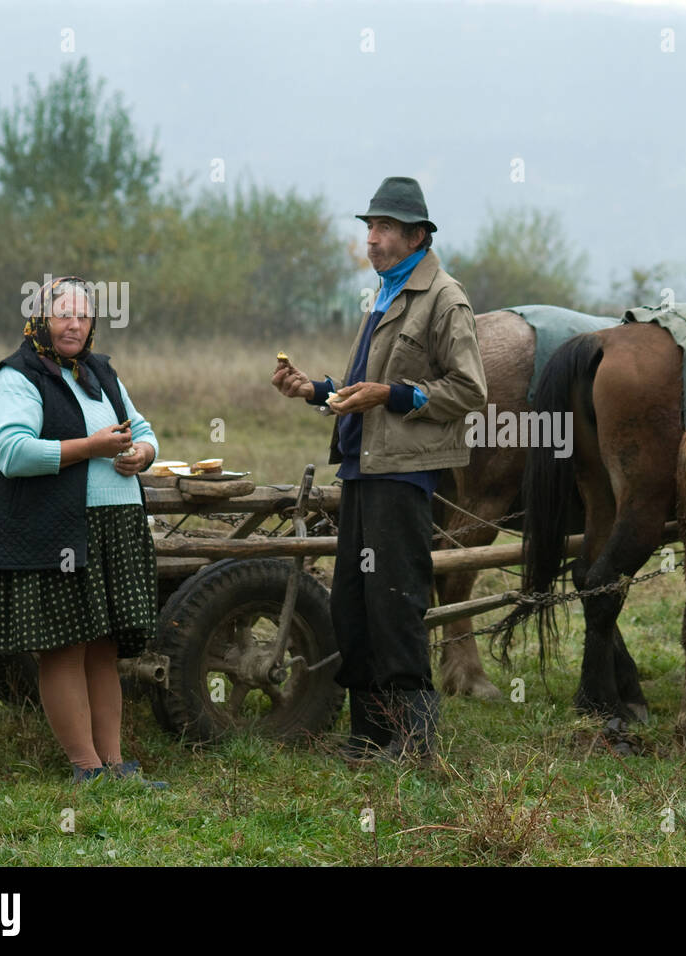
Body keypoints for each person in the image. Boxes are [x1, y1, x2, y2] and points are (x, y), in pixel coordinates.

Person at [272, 177, 487, 764]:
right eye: (369, 228)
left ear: (417, 236)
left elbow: (470, 389)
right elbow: (357, 389)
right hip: (363, 471)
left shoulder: (445, 298)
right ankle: (368, 737)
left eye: (385, 228)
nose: (372, 239)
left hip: (405, 476)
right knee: (354, 604)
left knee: (395, 603)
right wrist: (313, 389)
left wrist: (395, 395)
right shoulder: (386, 296)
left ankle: (414, 743)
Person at [0, 276, 166, 787]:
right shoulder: (15, 377)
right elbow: (13, 453)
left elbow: (143, 431)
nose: (75, 323)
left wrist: (141, 454)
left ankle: (116, 767)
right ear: (40, 319)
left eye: (83, 315)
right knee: (65, 647)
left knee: (103, 646)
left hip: (113, 526)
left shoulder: (98, 372)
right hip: (56, 530)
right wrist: (92, 447)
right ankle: (86, 769)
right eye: (63, 314)